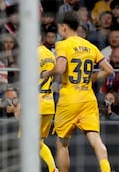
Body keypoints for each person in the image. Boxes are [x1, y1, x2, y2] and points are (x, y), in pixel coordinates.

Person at [42, 11, 113, 172]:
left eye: (60, 28)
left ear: (64, 27)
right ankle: (106, 170)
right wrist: (92, 78)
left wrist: (46, 73)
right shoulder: (90, 46)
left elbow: (60, 68)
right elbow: (109, 70)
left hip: (69, 99)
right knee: (96, 140)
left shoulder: (63, 45)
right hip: (88, 99)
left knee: (62, 143)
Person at [38, 37, 59, 172]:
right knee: (38, 142)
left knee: (27, 141)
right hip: (49, 103)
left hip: (34, 104)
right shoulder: (51, 55)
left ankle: (52, 168)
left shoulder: (30, 54)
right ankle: (52, 168)